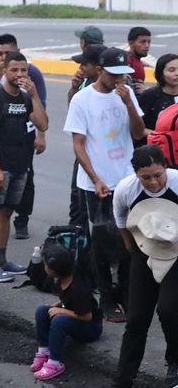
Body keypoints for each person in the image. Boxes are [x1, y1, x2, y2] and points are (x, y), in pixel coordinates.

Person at [64, 47, 145, 323]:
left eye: (124, 75)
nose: (119, 80)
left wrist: (129, 105)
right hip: (96, 182)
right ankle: (107, 297)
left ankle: (125, 292)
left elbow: (137, 133)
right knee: (101, 240)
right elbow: (78, 144)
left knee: (129, 237)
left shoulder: (127, 93)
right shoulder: (82, 100)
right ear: (100, 71)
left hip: (127, 178)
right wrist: (96, 179)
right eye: (114, 74)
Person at [0, 52, 48, 282]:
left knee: (7, 212)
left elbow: (42, 124)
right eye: (15, 70)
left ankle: (1, 260)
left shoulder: (27, 98)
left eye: (23, 70)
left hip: (21, 166)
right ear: (5, 71)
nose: (19, 75)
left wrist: (35, 95)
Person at [112, 145, 178, 388]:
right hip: (144, 250)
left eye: (158, 175)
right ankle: (124, 377)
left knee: (169, 310)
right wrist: (134, 250)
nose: (152, 182)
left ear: (166, 168)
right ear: (136, 174)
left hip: (176, 252)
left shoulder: (177, 182)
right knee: (137, 317)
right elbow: (121, 222)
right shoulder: (126, 189)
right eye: (146, 177)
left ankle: (175, 362)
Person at [30, 244, 103, 381]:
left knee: (59, 320)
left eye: (45, 264)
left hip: (91, 327)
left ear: (53, 270)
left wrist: (61, 311)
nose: (44, 266)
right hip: (76, 314)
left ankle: (54, 363)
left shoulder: (78, 287)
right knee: (42, 310)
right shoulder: (61, 279)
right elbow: (66, 299)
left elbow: (87, 316)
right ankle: (44, 350)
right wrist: (57, 305)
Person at [138, 54, 178, 134]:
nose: (177, 73)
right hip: (156, 144)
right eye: (171, 70)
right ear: (161, 73)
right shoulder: (149, 95)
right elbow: (137, 128)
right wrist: (158, 135)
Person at [125, 26, 150, 92]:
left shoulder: (137, 61)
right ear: (131, 43)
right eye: (143, 42)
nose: (147, 45)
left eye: (148, 42)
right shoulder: (128, 62)